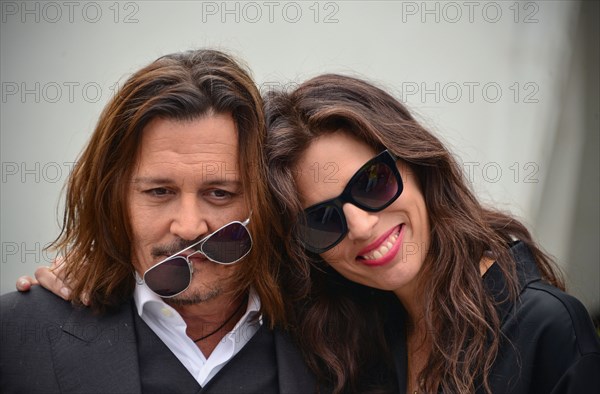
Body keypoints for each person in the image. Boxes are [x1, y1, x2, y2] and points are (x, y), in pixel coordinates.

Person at [1, 49, 317, 393]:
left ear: (266, 199)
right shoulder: (16, 335)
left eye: (220, 193)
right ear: (113, 198)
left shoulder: (346, 332)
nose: (188, 227)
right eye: (159, 192)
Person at [263, 74, 600, 393]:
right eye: (321, 220)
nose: (362, 227)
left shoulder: (547, 328)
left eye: (372, 182)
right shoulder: (359, 344)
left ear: (417, 164)